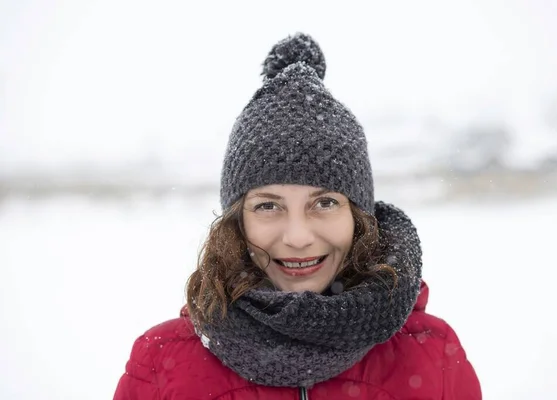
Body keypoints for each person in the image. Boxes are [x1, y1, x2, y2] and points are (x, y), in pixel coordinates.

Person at [113, 33, 481, 400]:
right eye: (268, 206)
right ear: (236, 223)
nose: (298, 237)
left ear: (360, 218)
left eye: (323, 203)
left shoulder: (433, 356)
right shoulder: (162, 363)